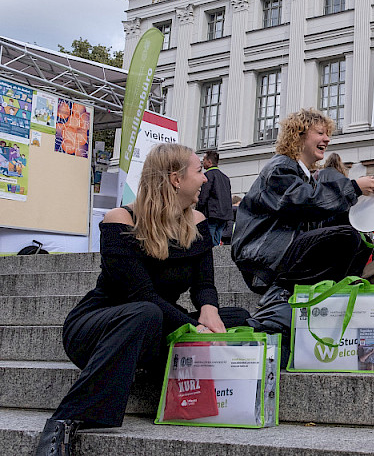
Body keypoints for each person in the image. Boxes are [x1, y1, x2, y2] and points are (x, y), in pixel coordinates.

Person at [35, 143, 250, 456]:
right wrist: (193, 329)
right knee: (146, 312)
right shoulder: (119, 219)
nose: (205, 179)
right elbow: (142, 295)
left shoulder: (198, 222)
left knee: (238, 317)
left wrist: (209, 311)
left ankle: (142, 363)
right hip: (102, 325)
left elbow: (204, 285)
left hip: (157, 320)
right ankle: (62, 423)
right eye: (199, 171)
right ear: (176, 179)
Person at [231, 109, 374, 342]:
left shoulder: (301, 174)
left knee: (356, 238)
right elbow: (303, 202)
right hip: (264, 256)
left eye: (328, 134)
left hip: (282, 250)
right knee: (346, 237)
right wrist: (353, 188)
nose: (327, 139)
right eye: (320, 133)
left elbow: (314, 215)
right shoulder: (280, 167)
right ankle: (279, 295)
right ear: (299, 135)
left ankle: (327, 296)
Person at [196, 150, 234, 246]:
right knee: (217, 238)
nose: (202, 161)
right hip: (224, 214)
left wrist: (198, 209)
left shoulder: (208, 175)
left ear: (209, 162)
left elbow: (204, 195)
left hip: (212, 213)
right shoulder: (225, 178)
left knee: (209, 239)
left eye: (204, 159)